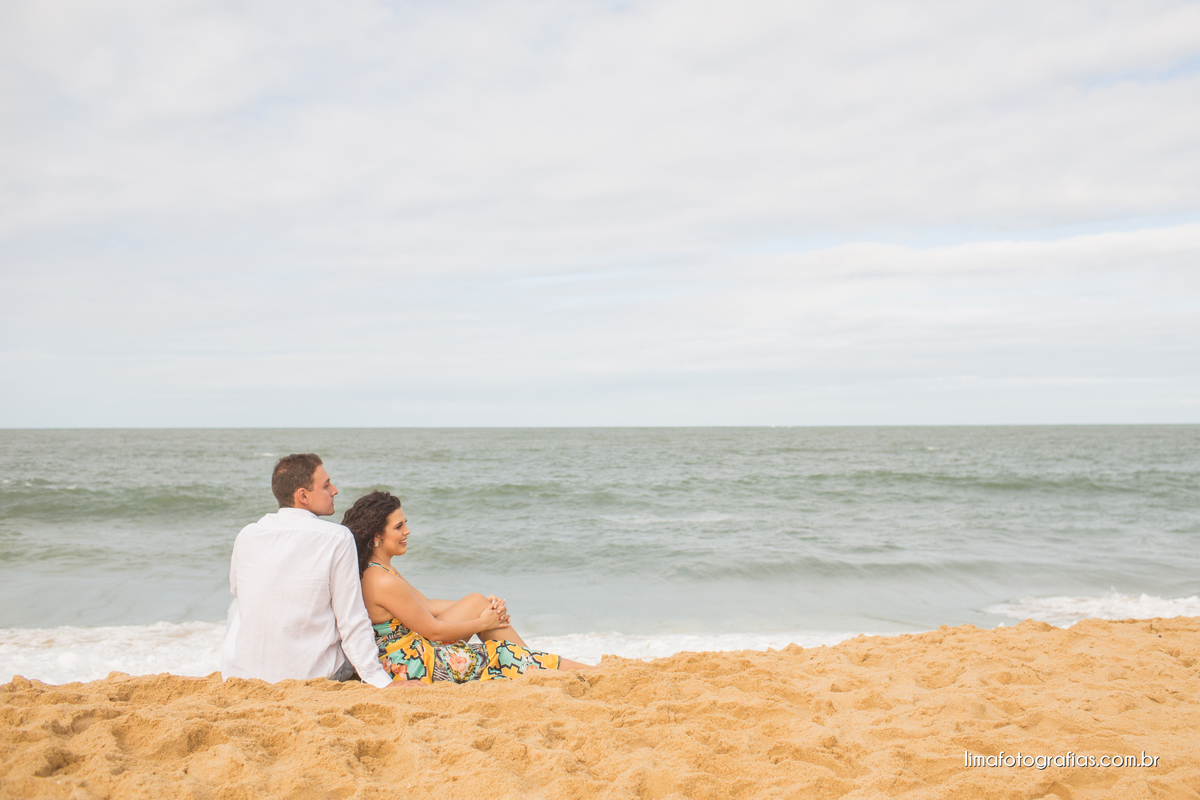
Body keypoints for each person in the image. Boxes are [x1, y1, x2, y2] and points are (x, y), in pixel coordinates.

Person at [341, 490, 595, 683]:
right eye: (399, 527)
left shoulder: (381, 569)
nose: (408, 531)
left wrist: (486, 610)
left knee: (477, 602)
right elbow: (434, 630)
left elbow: (426, 606)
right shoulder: (381, 580)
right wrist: (485, 623)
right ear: (376, 536)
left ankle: (541, 666)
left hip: (410, 652)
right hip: (410, 666)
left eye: (405, 522)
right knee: (500, 653)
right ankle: (578, 673)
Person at [220, 454, 415, 688]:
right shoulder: (338, 538)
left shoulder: (247, 534)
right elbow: (351, 620)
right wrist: (380, 681)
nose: (335, 490)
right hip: (309, 676)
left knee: (237, 604)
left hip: (241, 675)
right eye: (326, 485)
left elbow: (237, 589)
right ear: (302, 496)